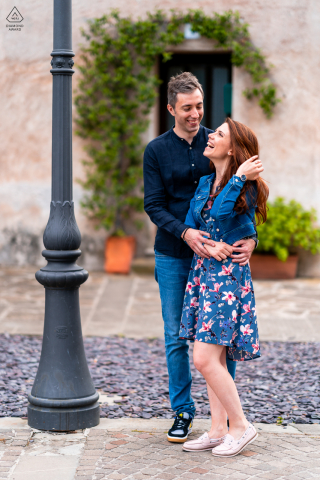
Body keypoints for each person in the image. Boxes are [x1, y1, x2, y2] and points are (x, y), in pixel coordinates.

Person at [143, 72, 257, 443]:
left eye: (200, 107)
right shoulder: (156, 151)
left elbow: (240, 197)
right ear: (171, 108)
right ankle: (183, 410)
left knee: (218, 341)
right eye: (188, 108)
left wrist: (250, 237)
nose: (196, 115)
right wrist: (187, 232)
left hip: (217, 260)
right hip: (175, 255)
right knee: (177, 337)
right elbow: (154, 206)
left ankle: (223, 423)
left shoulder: (217, 141)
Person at [180, 118, 269, 456]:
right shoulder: (204, 182)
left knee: (203, 358)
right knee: (211, 356)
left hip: (227, 279)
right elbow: (193, 226)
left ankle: (241, 425)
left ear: (232, 149)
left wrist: (235, 179)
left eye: (218, 134)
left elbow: (219, 214)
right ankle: (218, 429)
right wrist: (206, 244)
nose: (210, 135)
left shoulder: (244, 185)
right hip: (204, 273)